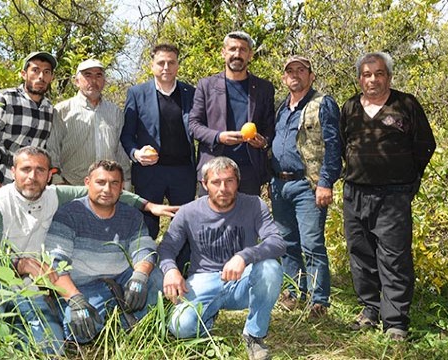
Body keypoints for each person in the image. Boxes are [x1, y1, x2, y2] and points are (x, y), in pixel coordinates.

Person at [0, 146, 176, 354]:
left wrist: (148, 206)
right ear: (13, 171)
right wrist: (21, 264)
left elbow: (108, 193)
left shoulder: (54, 195)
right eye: (25, 169)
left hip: (36, 284)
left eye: (40, 170)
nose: (32, 177)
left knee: (51, 349)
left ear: (50, 175)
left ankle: (126, 323)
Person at [340, 52, 436, 341]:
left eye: (379, 73)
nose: (373, 79)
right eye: (367, 74)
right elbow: (345, 145)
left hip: (394, 196)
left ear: (389, 76)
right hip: (355, 193)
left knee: (394, 257)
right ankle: (370, 310)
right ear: (359, 79)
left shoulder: (405, 104)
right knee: (361, 254)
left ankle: (395, 321)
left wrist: (409, 181)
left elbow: (425, 145)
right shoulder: (349, 107)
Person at [158, 157, 286, 360]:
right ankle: (208, 315)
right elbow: (167, 248)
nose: (223, 188)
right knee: (180, 327)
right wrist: (170, 270)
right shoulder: (189, 212)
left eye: (229, 181)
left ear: (238, 182)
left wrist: (245, 256)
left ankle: (254, 335)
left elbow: (277, 242)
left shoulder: (254, 205)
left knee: (271, 268)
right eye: (216, 182)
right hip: (203, 279)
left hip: (243, 280)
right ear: (204, 184)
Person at [45, 160, 163, 343]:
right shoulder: (68, 214)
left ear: (122, 187)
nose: (107, 189)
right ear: (87, 183)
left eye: (114, 183)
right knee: (78, 333)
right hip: (84, 286)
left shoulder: (131, 215)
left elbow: (144, 248)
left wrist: (139, 276)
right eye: (100, 182)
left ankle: (127, 316)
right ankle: (121, 315)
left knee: (155, 277)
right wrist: (75, 299)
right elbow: (55, 261)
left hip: (122, 279)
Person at [271, 55, 341, 317]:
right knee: (287, 243)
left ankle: (318, 300)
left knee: (312, 244)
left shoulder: (322, 104)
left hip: (307, 185)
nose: (295, 75)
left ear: (311, 76)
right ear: (284, 77)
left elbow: (334, 146)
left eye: (301, 70)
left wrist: (326, 182)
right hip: (280, 184)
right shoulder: (281, 107)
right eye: (290, 71)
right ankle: (292, 292)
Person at [120, 43, 197, 240]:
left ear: (178, 65)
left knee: (184, 226)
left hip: (183, 172)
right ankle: (145, 267)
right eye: (161, 62)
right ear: (152, 66)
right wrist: (136, 154)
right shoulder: (137, 94)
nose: (166, 67)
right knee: (146, 228)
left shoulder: (191, 93)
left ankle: (181, 269)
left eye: (171, 63)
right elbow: (126, 135)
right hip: (149, 173)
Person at [188, 31, 275, 196]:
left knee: (246, 221)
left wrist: (263, 142)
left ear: (250, 55)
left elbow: (270, 127)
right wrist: (218, 137)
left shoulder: (264, 88)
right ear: (223, 52)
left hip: (249, 171)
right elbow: (193, 125)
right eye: (233, 49)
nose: (237, 54)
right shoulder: (206, 85)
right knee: (210, 221)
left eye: (243, 50)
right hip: (213, 169)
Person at [0, 51, 57, 195]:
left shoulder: (49, 109)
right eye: (35, 70)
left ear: (51, 77)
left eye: (46, 72)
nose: (41, 77)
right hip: (1, 180)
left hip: (32, 186)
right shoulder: (4, 99)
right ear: (24, 74)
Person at [47, 59, 131, 187]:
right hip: (72, 185)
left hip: (107, 188)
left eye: (98, 75)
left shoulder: (115, 112)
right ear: (76, 81)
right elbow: (52, 149)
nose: (93, 80)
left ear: (104, 81)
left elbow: (121, 151)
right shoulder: (62, 110)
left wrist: (125, 181)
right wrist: (57, 180)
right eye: (88, 75)